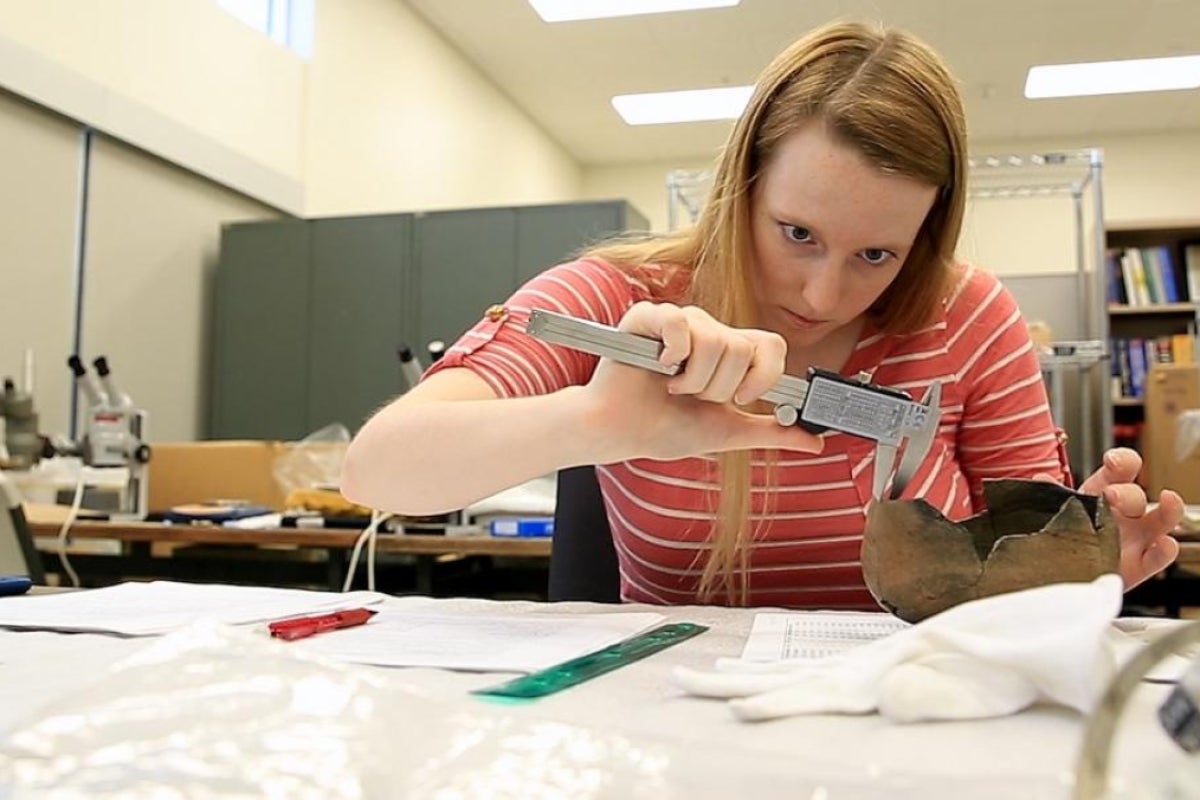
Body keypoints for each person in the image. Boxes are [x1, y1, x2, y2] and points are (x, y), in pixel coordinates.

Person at [341, 20, 1182, 607]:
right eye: (797, 232)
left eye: (876, 255)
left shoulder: (971, 317)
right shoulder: (619, 297)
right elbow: (375, 473)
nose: (822, 296)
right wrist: (592, 423)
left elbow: (1013, 579)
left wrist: (1082, 570)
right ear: (740, 187)